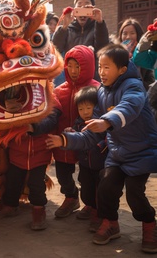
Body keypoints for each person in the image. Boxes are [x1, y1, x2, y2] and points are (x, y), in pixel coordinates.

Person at [46, 43, 157, 253]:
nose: (102, 72)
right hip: (116, 153)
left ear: (122, 70)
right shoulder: (102, 92)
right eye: (100, 67)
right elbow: (92, 131)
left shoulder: (133, 86)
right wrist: (65, 140)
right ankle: (111, 223)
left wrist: (107, 121)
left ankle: (149, 225)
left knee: (135, 193)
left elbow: (129, 105)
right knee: (105, 187)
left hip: (141, 152)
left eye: (107, 67)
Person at [52, 45, 100, 219]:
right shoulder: (59, 90)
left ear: (87, 66)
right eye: (69, 66)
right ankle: (71, 196)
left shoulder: (97, 89)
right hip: (64, 142)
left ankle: (91, 204)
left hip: (88, 144)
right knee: (63, 175)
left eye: (78, 66)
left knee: (88, 177)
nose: (73, 71)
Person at [0, 102, 62, 231]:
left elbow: (52, 120)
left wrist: (32, 127)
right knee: (13, 180)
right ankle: (11, 204)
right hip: (17, 151)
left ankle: (38, 210)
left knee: (36, 183)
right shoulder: (16, 97)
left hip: (40, 152)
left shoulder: (50, 98)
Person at [66, 86, 107, 231]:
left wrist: (101, 145)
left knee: (99, 190)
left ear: (96, 107)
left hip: (100, 164)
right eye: (81, 109)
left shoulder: (103, 123)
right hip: (84, 164)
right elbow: (76, 138)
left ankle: (98, 213)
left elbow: (107, 138)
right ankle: (90, 206)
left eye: (88, 108)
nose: (85, 112)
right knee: (86, 188)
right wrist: (69, 133)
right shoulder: (78, 123)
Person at [52, 0, 109, 83]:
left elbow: (103, 48)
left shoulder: (98, 27)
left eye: (86, 6)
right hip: (71, 77)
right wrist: (64, 26)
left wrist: (99, 22)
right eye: (79, 5)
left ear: (92, 9)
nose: (82, 8)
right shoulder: (67, 29)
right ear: (74, 10)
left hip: (93, 79)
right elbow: (56, 48)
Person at [117, 18, 155, 90]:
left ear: (138, 35)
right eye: (125, 33)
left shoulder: (144, 55)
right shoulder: (115, 53)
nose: (128, 37)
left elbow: (150, 83)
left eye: (132, 33)